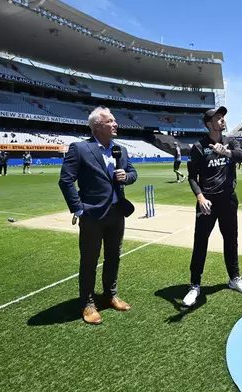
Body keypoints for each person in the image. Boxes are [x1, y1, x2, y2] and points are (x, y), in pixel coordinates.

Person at [58, 107, 138, 325]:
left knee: (113, 257)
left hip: (116, 213)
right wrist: (78, 209)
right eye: (110, 121)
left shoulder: (120, 149)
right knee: (89, 261)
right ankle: (88, 303)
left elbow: (132, 173)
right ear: (97, 126)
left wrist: (126, 177)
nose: (115, 124)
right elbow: (66, 181)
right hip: (92, 215)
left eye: (114, 121)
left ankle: (110, 295)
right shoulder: (80, 148)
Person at [182, 106, 242, 307]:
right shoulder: (198, 147)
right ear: (208, 124)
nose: (222, 120)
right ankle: (194, 285)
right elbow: (192, 177)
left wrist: (227, 152)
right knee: (200, 243)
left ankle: (234, 278)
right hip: (207, 203)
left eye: (223, 117)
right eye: (218, 118)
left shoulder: (231, 141)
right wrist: (200, 198)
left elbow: (241, 156)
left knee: (231, 241)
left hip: (228, 201)